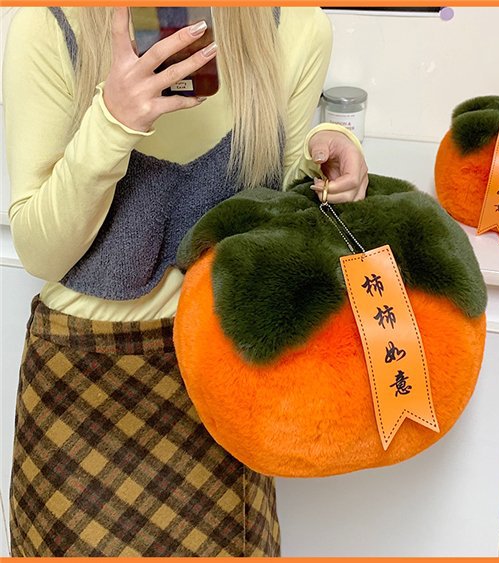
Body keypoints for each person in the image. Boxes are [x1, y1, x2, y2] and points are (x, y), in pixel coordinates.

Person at [3, 6, 368, 557]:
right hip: (80, 387)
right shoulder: (53, 23)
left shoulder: (293, 26)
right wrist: (112, 121)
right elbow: (39, 251)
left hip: (221, 380)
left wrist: (330, 152)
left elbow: (282, 203)